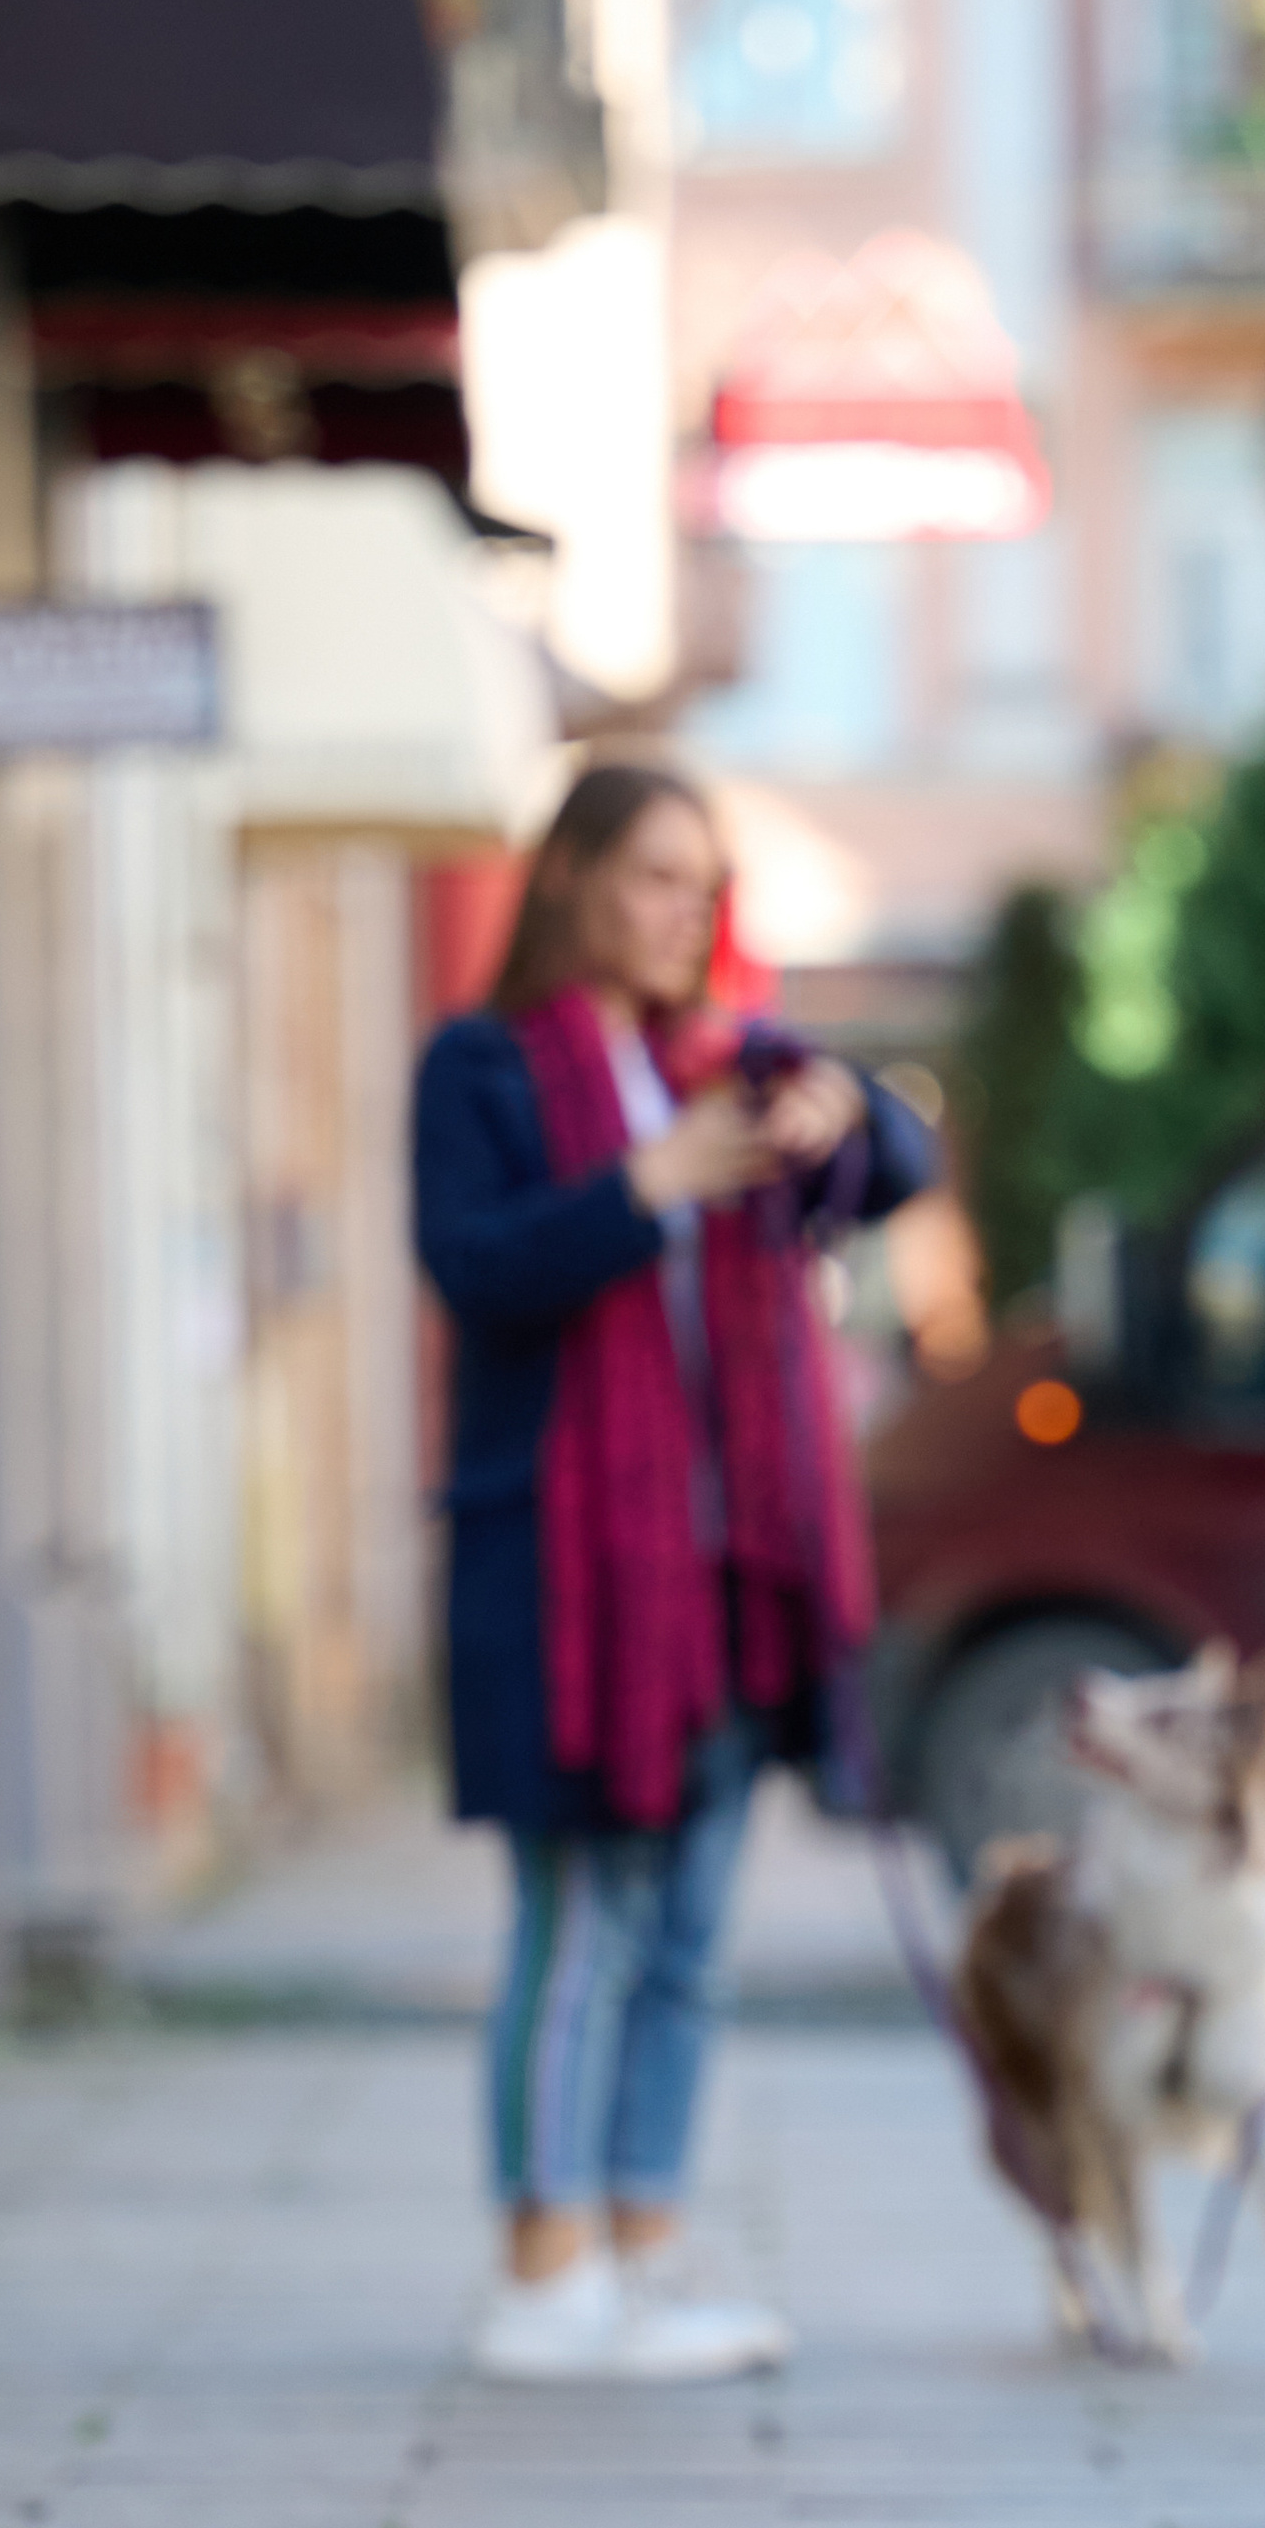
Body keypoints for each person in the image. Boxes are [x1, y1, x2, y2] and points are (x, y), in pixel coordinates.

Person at [413, 763, 935, 2382]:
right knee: (582, 1924)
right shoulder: (484, 1066)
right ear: (567, 879)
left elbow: (901, 1165)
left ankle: (643, 2264)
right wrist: (644, 1190)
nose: (680, 911)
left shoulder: (731, 1057)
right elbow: (473, 1268)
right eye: (649, 875)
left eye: (700, 883)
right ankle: (539, 2273)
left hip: (725, 1586)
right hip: (570, 1585)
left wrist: (853, 1106)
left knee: (694, 1935)